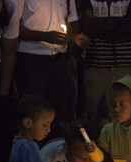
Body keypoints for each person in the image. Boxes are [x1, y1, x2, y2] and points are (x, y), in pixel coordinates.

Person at [13, 0, 85, 132]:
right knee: (34, 113)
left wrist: (74, 37)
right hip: (31, 61)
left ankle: (58, 148)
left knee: (62, 113)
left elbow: (68, 22)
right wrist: (45, 36)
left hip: (60, 61)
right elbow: (13, 28)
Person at [80, 0, 131, 121]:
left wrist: (98, 23)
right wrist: (118, 24)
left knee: (129, 120)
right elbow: (87, 27)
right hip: (97, 70)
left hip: (125, 69)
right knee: (98, 120)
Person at [9, 94, 56, 162]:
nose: (49, 130)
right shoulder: (29, 146)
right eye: (45, 125)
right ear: (28, 123)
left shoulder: (17, 142)